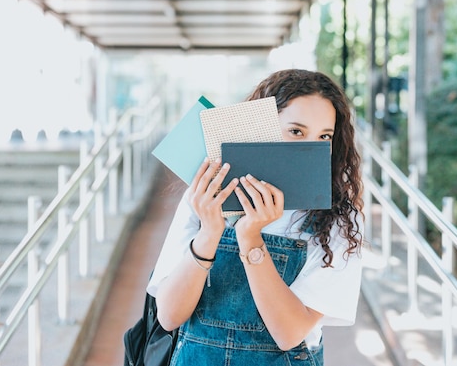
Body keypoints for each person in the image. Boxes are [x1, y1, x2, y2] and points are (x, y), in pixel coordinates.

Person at [147, 69, 365, 365]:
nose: (309, 148)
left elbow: (289, 333)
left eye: (323, 136)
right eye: (296, 131)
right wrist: (210, 232)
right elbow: (170, 316)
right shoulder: (208, 197)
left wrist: (250, 239)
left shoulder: (339, 219)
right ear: (261, 128)